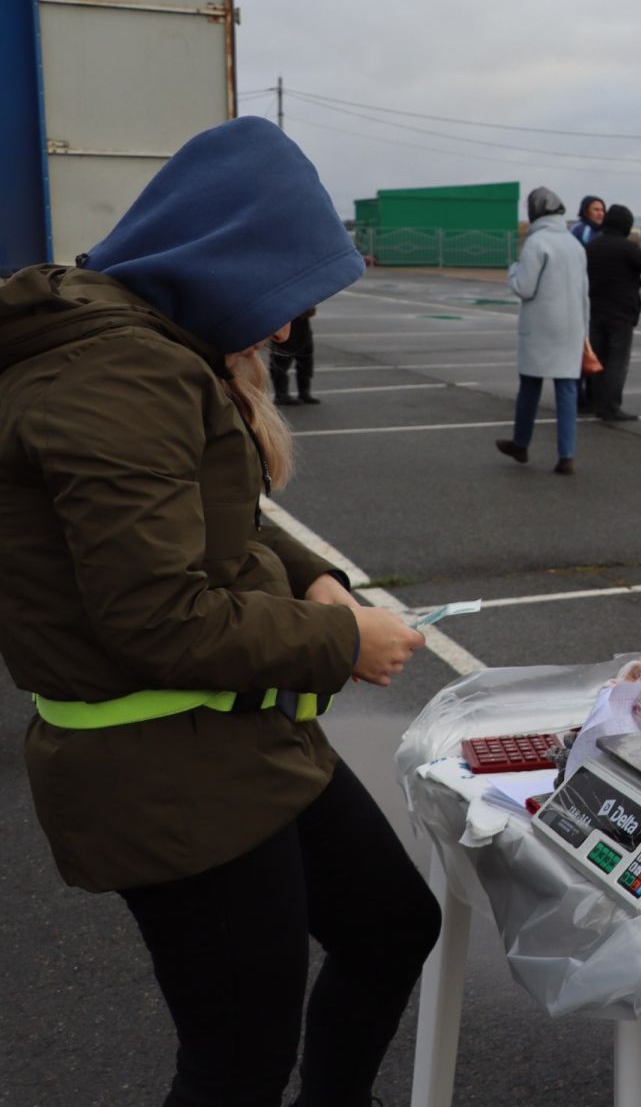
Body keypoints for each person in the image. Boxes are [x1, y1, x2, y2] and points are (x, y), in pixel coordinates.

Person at [0, 117, 439, 1106]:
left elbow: (216, 524)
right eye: (282, 296)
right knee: (236, 1057)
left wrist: (309, 576)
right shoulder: (119, 371)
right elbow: (158, 617)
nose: (285, 327)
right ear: (224, 257)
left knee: (391, 922)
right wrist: (343, 639)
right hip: (165, 768)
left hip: (236, 735)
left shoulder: (145, 346)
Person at [497, 187, 589, 474]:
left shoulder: (536, 243)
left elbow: (525, 287)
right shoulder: (575, 244)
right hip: (572, 325)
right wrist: (584, 330)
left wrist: (512, 269)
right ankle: (567, 456)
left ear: (534, 212)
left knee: (530, 387)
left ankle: (521, 443)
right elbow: (585, 291)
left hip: (540, 327)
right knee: (567, 390)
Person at [583, 203, 641, 421]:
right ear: (626, 225)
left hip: (595, 310)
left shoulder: (591, 247)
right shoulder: (627, 247)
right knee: (617, 360)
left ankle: (595, 401)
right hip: (621, 312)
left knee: (598, 358)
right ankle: (611, 406)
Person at [269, 304, 321, 404]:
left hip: (302, 326)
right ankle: (281, 395)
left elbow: (311, 312)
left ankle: (304, 392)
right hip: (285, 324)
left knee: (306, 360)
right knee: (281, 361)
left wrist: (309, 308)